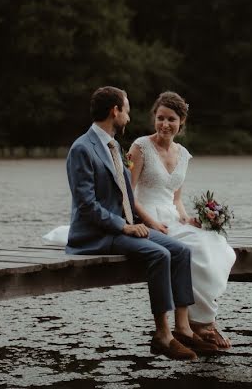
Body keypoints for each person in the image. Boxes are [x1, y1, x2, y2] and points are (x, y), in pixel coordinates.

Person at [64, 86, 218, 360]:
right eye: (127, 110)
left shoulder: (113, 145)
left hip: (122, 226)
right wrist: (125, 226)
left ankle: (183, 329)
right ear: (115, 111)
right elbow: (87, 206)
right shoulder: (82, 148)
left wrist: (141, 222)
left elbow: (125, 194)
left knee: (181, 251)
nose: (130, 117)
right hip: (95, 234)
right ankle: (163, 335)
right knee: (159, 255)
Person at [127, 90, 236, 349]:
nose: (165, 124)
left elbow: (176, 199)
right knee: (196, 250)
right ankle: (200, 324)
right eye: (160, 118)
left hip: (172, 217)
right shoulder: (139, 147)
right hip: (148, 215)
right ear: (154, 118)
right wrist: (151, 223)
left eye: (171, 119)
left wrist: (188, 218)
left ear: (181, 122)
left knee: (219, 246)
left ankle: (202, 320)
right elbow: (127, 195)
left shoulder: (184, 154)